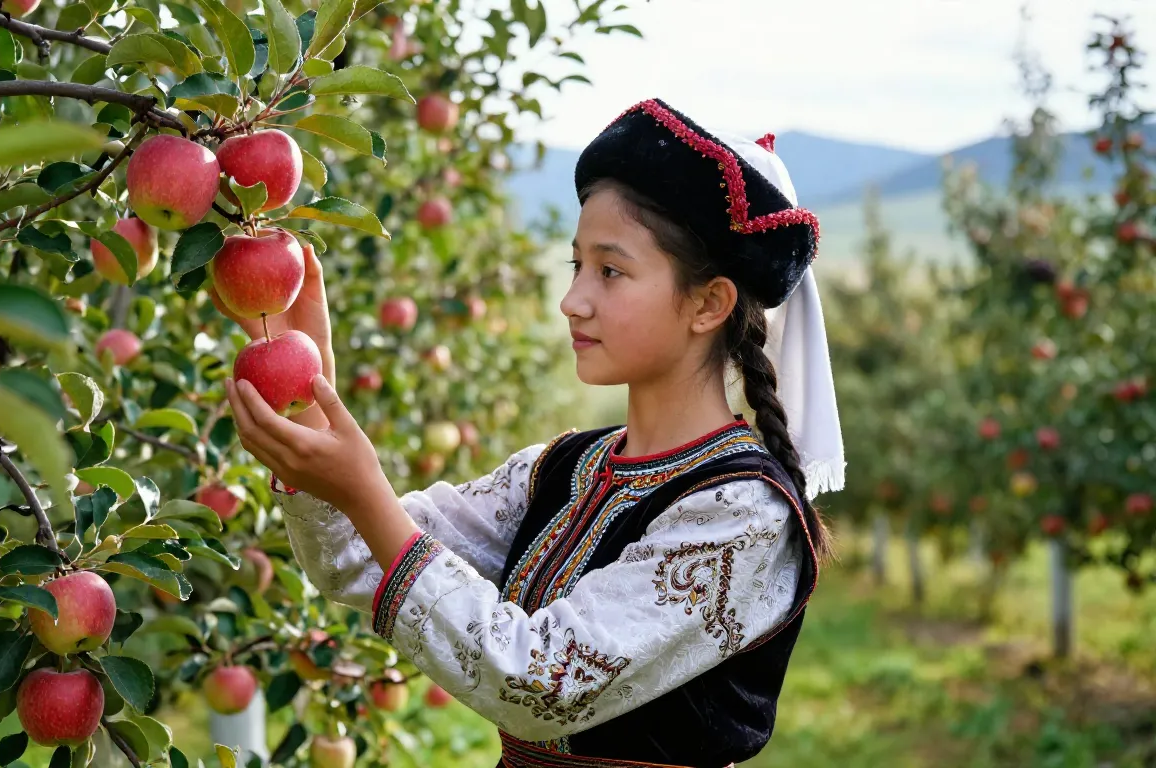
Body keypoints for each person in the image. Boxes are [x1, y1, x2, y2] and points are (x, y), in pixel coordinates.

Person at [224, 98, 846, 768]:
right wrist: (311, 408)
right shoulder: (562, 469)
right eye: (575, 266)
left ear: (708, 303)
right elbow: (354, 552)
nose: (573, 299)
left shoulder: (744, 516)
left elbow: (538, 683)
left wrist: (365, 487)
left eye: (610, 271)